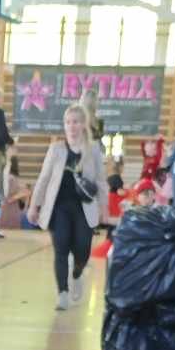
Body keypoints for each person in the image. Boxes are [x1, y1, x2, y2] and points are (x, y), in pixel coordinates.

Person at [27, 103, 103, 311]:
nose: (71, 126)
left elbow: (101, 181)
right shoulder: (56, 149)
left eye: (76, 122)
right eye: (68, 122)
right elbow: (43, 179)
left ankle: (77, 274)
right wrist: (34, 206)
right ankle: (62, 293)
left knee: (82, 251)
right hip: (58, 207)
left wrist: (104, 208)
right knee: (60, 249)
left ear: (83, 124)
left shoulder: (93, 149)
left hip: (83, 208)